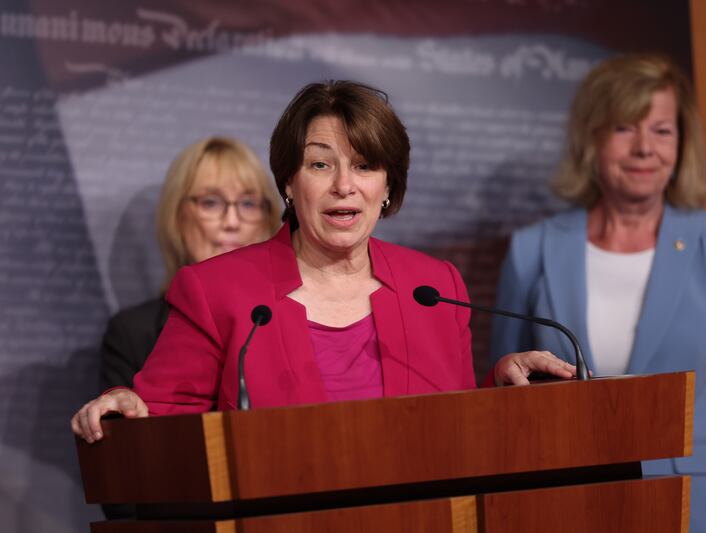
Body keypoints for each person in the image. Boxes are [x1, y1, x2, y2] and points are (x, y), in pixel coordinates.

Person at [73, 81, 577, 439]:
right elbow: (162, 420)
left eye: (364, 165)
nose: (343, 184)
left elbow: (454, 424)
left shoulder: (434, 287)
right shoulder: (217, 291)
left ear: (387, 187)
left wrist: (502, 384)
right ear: (290, 183)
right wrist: (128, 410)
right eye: (320, 164)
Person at [490, 53, 706, 532]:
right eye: (625, 128)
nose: (645, 147)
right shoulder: (532, 250)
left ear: (681, 143)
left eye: (662, 130)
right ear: (592, 138)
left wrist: (693, 447)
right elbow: (506, 391)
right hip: (569, 504)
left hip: (698, 505)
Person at [101, 137, 283, 391]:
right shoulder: (134, 334)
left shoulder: (301, 316)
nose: (232, 221)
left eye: (248, 204)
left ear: (268, 218)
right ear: (177, 216)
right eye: (211, 202)